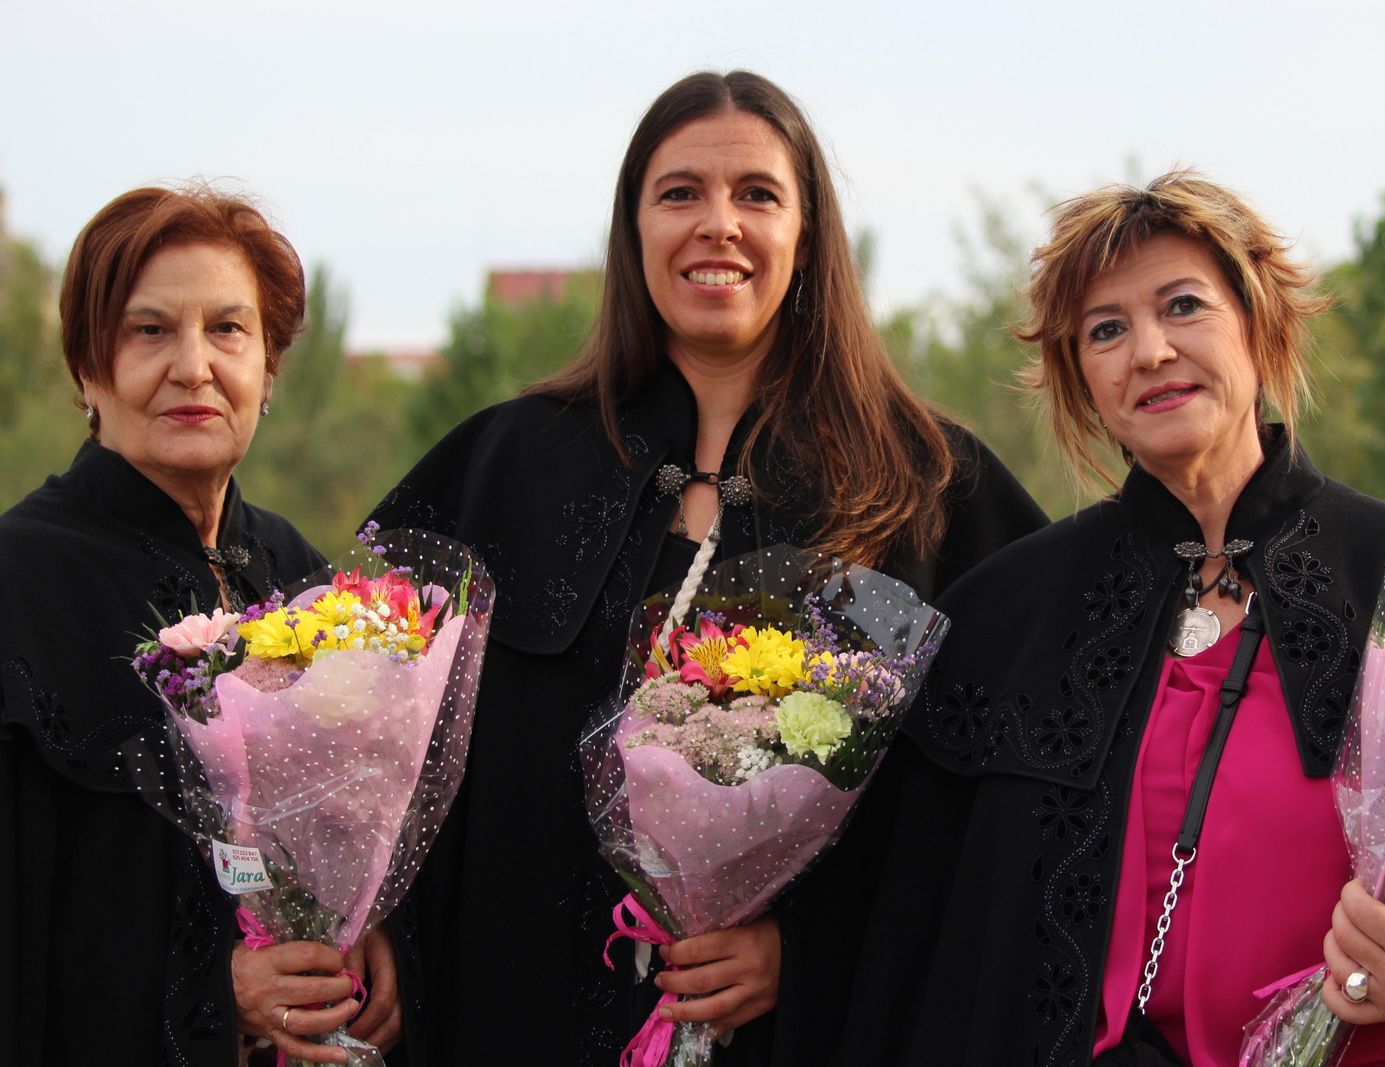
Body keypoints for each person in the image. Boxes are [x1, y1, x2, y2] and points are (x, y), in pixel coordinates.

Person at [838, 173, 1385, 1066]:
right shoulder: (1002, 618)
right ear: (1081, 376)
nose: (1150, 351)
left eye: (1184, 305)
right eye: (1107, 330)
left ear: (1260, 324)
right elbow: (905, 921)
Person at [365, 70, 1047, 1065]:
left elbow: (998, 816)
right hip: (513, 1018)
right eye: (679, 192)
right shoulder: (501, 465)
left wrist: (812, 945)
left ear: (807, 235)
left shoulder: (929, 486)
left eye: (758, 195)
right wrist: (360, 920)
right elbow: (358, 751)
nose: (717, 224)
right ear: (632, 228)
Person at [0, 186, 410, 1066]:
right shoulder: (20, 583)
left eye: (228, 329)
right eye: (150, 331)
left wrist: (367, 926)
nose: (194, 366)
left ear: (268, 374)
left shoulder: (295, 572)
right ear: (87, 368)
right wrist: (204, 992)